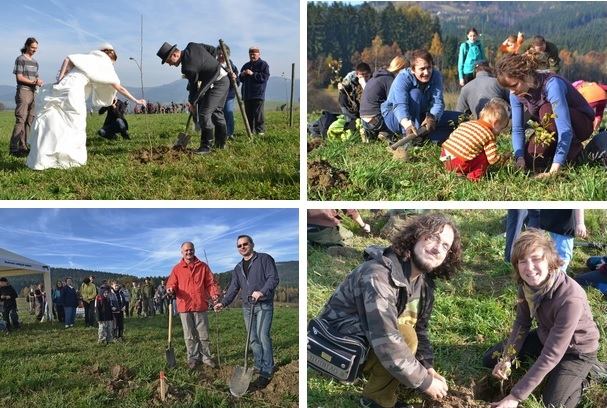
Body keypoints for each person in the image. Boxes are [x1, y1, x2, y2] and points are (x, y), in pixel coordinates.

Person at [314, 212, 463, 408]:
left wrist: (427, 368)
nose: (437, 248)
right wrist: (425, 383)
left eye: (445, 246)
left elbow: (421, 329)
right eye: (432, 237)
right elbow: (387, 339)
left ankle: (378, 373)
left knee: (410, 333)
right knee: (405, 335)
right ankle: (376, 399)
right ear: (415, 236)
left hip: (366, 342)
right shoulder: (378, 276)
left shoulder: (424, 285)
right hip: (335, 349)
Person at [482, 229, 600, 408]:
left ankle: (584, 377)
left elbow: (552, 354)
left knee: (553, 404)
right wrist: (507, 358)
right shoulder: (527, 285)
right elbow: (522, 323)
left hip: (576, 351)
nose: (529, 267)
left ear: (550, 262)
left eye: (536, 259)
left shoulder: (570, 299)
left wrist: (515, 396)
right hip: (546, 335)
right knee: (491, 359)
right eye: (523, 261)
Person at [26, 44, 145, 170]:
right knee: (74, 124)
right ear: (110, 59)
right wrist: (136, 100)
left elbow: (67, 59)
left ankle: (45, 156)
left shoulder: (87, 59)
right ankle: (67, 159)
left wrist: (60, 78)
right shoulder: (104, 64)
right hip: (74, 91)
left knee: (54, 120)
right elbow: (119, 87)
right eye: (113, 64)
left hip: (62, 87)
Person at [495, 53, 594, 177]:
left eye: (514, 85)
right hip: (552, 125)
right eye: (508, 88)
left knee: (547, 109)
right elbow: (518, 128)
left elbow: (565, 129)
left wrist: (554, 170)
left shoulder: (552, 85)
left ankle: (574, 152)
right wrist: (519, 157)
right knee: (531, 158)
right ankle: (555, 156)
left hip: (580, 124)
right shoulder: (515, 94)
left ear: (526, 75)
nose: (512, 91)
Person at [214, 235, 280, 389]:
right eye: (239, 246)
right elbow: (233, 288)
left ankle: (267, 370)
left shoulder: (264, 259)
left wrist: (262, 292)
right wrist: (222, 303)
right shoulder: (238, 268)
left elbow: (273, 278)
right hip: (247, 307)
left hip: (263, 304)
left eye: (245, 244)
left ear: (252, 244)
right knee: (253, 339)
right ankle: (258, 365)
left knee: (263, 337)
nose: (242, 247)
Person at [157, 41, 229, 153]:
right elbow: (213, 50)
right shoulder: (192, 46)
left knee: (204, 113)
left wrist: (193, 103)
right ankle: (221, 144)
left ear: (175, 55)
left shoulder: (187, 67)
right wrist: (210, 65)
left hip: (218, 83)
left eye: (168, 61)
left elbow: (193, 87)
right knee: (216, 112)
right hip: (224, 79)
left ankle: (206, 146)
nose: (170, 65)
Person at [381, 49, 461, 146]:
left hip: (421, 115)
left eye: (429, 68)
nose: (426, 72)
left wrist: (433, 117)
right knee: (416, 94)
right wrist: (407, 124)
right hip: (396, 117)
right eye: (422, 69)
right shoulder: (402, 78)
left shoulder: (436, 76)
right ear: (412, 69)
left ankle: (426, 137)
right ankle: (408, 140)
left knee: (459, 118)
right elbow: (399, 105)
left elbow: (437, 101)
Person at [167, 242, 220, 370]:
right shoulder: (177, 268)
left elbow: (210, 283)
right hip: (184, 306)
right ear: (182, 252)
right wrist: (170, 289)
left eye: (190, 250)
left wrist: (215, 294)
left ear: (194, 250)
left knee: (203, 334)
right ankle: (192, 358)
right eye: (186, 251)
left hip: (200, 304)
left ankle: (206, 358)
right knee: (189, 335)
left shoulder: (203, 267)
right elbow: (171, 283)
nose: (188, 252)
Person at [441, 98, 512, 181]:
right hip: (458, 162)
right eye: (501, 128)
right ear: (495, 123)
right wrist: (504, 158)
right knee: (485, 157)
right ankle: (473, 177)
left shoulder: (467, 123)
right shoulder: (488, 134)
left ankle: (458, 173)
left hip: (445, 158)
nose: (500, 132)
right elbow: (493, 159)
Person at [359, 56, 409, 141]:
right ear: (400, 69)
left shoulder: (378, 76)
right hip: (377, 119)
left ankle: (370, 133)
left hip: (363, 119)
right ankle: (386, 133)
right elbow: (394, 102)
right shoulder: (390, 80)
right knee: (397, 114)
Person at [10, 37, 44, 157]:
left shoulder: (35, 62)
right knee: (21, 119)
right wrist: (33, 82)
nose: (34, 50)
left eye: (36, 48)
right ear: (27, 46)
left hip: (33, 92)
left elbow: (35, 77)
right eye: (32, 47)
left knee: (29, 120)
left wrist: (38, 81)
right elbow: (19, 77)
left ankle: (23, 147)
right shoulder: (20, 59)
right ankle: (13, 148)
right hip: (23, 91)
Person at [239, 46, 270, 135]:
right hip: (246, 94)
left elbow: (265, 77)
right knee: (248, 114)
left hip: (258, 94)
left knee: (258, 114)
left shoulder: (263, 65)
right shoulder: (246, 65)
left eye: (254, 54)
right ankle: (249, 131)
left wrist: (253, 74)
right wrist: (242, 75)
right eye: (251, 54)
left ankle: (260, 131)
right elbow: (240, 79)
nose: (252, 56)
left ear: (258, 54)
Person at [307, 209, 371, 252]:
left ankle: (312, 242)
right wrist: (363, 225)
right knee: (349, 236)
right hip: (321, 228)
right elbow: (351, 210)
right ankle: (338, 247)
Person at [338, 62, 372, 128]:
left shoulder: (373, 81)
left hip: (368, 108)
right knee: (342, 97)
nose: (364, 79)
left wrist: (364, 85)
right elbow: (344, 85)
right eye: (362, 76)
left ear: (370, 74)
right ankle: (350, 121)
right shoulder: (352, 78)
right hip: (355, 106)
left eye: (366, 76)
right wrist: (342, 88)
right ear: (357, 74)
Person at [217, 44, 239, 140]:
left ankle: (230, 134)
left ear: (228, 54)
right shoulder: (214, 65)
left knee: (228, 113)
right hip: (217, 94)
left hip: (229, 94)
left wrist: (234, 77)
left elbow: (237, 83)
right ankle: (220, 134)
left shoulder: (232, 67)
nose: (221, 56)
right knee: (218, 115)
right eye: (219, 54)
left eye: (223, 54)